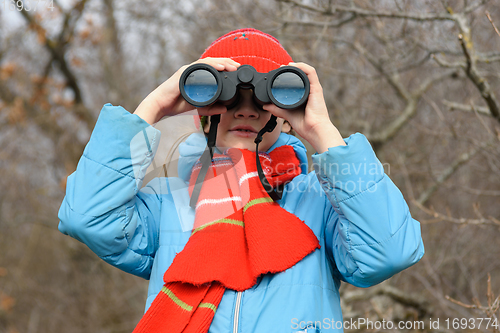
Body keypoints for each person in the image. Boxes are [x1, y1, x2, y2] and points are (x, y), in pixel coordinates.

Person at [58, 28, 424, 333]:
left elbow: (388, 251)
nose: (246, 109)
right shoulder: (169, 202)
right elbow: (87, 217)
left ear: (285, 110)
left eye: (264, 98)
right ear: (202, 107)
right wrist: (154, 108)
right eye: (227, 95)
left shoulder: (320, 202)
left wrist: (323, 131)